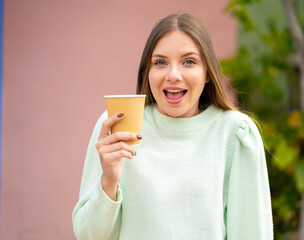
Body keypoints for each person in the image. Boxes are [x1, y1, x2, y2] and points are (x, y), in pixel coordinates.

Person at [72, 13, 273, 240]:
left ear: (207, 72)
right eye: (160, 62)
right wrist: (108, 182)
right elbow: (89, 237)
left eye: (189, 61)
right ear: (147, 72)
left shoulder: (236, 134)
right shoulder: (116, 127)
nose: (173, 75)